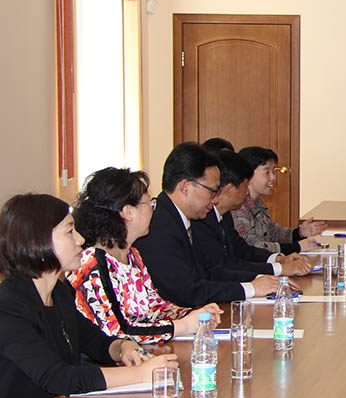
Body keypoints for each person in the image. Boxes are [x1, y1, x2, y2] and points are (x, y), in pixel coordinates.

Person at [0, 194, 178, 398]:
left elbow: (94, 341)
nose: (81, 239)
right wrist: (141, 374)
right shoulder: (8, 307)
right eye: (69, 232)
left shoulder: (59, 292)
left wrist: (123, 348)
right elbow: (59, 378)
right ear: (37, 241)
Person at [70, 167, 223, 344]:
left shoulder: (133, 255)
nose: (153, 210)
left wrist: (195, 314)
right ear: (128, 212)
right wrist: (183, 326)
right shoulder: (92, 264)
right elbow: (118, 331)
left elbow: (155, 307)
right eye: (150, 204)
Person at [135, 142, 287, 307]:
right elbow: (188, 292)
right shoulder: (159, 227)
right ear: (185, 187)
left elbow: (211, 271)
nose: (215, 200)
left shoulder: (182, 217)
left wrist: (259, 281)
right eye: (212, 191)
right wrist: (251, 288)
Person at [193, 150, 312, 279]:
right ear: (229, 189)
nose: (247, 193)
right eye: (245, 186)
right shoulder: (202, 220)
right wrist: (280, 268)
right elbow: (224, 267)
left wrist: (279, 259)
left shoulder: (224, 215)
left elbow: (243, 250)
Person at [234, 146, 326, 253]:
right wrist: (296, 247)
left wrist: (299, 232)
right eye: (267, 172)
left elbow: (273, 233)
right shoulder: (237, 207)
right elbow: (252, 247)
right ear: (248, 174)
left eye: (274, 171)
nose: (273, 178)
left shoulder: (259, 202)